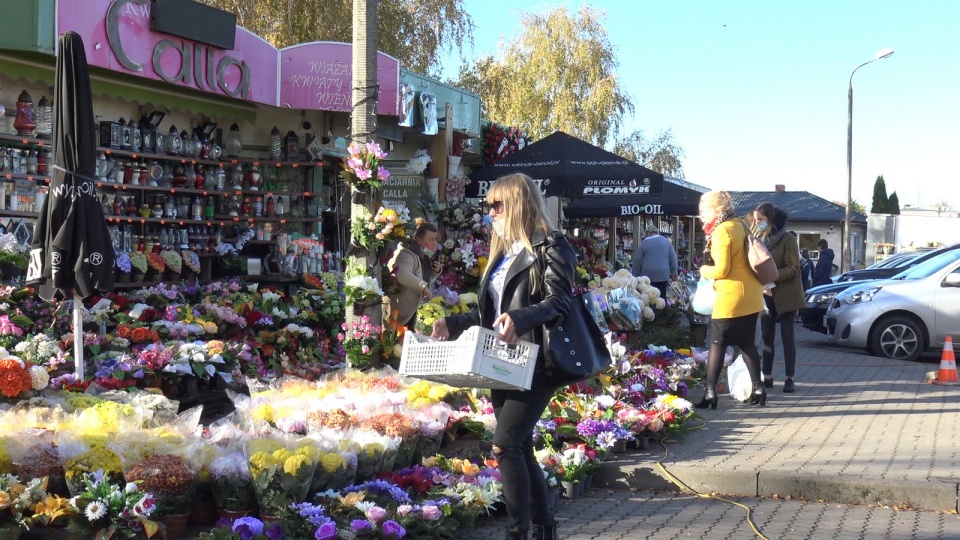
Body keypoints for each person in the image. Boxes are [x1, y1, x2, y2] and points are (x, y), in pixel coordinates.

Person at [432, 173, 576, 540]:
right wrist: (454, 322)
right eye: (488, 206)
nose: (490, 212)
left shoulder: (551, 246)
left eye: (496, 205)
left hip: (537, 360)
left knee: (505, 445)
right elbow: (491, 314)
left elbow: (559, 302)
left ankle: (518, 532)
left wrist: (521, 317)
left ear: (517, 204)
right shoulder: (502, 253)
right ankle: (545, 529)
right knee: (520, 447)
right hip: (503, 360)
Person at [695, 190, 766, 409]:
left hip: (731, 297)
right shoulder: (740, 225)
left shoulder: (722, 231)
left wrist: (703, 270)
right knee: (746, 343)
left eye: (703, 211)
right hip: (752, 294)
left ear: (716, 210)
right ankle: (758, 387)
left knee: (717, 342)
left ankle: (710, 393)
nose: (701, 216)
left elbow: (722, 269)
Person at [752, 203, 807, 394]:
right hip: (766, 294)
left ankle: (789, 378)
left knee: (787, 336)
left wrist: (772, 276)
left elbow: (794, 267)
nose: (756, 223)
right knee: (767, 336)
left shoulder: (788, 238)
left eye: (760, 220)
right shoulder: (756, 239)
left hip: (787, 294)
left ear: (770, 219)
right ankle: (767, 376)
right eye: (755, 219)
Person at [386, 222, 440, 329]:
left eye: (435, 239)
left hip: (412, 315)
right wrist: (422, 286)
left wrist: (435, 272)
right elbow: (402, 274)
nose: (435, 243)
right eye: (430, 239)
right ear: (419, 240)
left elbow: (421, 276)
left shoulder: (426, 257)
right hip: (399, 317)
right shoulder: (407, 254)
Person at [631, 223, 678, 299]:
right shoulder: (666, 241)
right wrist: (674, 273)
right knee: (662, 296)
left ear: (648, 232)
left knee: (648, 298)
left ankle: (651, 310)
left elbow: (637, 261)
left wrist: (634, 275)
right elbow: (673, 258)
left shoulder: (644, 243)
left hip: (647, 276)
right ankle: (662, 309)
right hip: (663, 274)